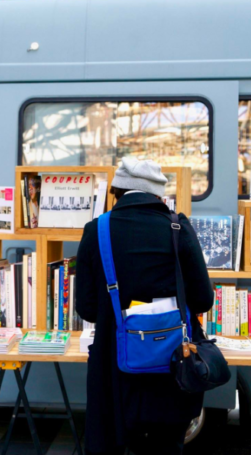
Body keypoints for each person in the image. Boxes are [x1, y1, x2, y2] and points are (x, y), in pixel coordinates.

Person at [76, 157, 214, 455]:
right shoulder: (179, 227)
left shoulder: (96, 231)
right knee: (167, 447)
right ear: (159, 196)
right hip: (173, 366)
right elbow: (203, 299)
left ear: (116, 193)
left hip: (114, 368)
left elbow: (86, 309)